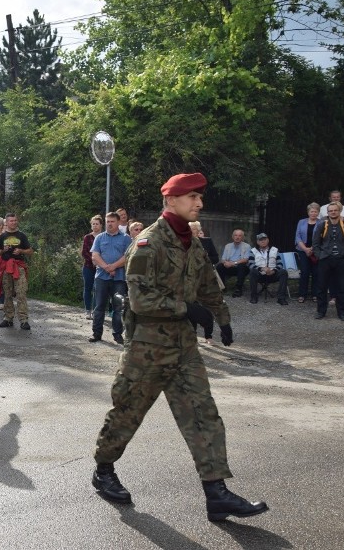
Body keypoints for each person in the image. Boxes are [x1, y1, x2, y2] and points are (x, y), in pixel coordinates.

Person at [90, 172, 268, 522]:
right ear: (171, 200)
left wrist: (223, 317)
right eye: (191, 197)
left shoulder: (192, 242)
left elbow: (208, 284)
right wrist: (188, 309)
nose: (199, 203)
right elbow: (140, 300)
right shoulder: (147, 243)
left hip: (183, 347)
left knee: (204, 414)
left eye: (200, 197)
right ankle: (104, 470)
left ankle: (216, 493)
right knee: (127, 413)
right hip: (147, 348)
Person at [88, 212, 130, 344]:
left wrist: (114, 267)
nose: (109, 224)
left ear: (118, 223)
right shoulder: (99, 238)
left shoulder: (126, 238)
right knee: (99, 306)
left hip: (119, 278)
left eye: (112, 221)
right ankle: (96, 334)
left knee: (118, 308)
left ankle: (117, 335)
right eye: (107, 221)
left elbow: (128, 256)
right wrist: (107, 267)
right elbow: (95, 255)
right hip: (101, 277)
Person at [313, 201, 344, 321]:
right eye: (330, 210)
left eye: (335, 210)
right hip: (325, 259)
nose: (333, 212)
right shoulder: (322, 225)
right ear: (327, 212)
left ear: (339, 211)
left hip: (341, 260)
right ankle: (321, 311)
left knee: (341, 287)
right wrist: (320, 255)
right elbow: (315, 243)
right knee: (321, 286)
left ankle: (342, 313)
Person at [0, 213, 34, 330]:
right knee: (7, 294)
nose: (14, 222)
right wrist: (3, 250)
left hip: (19, 266)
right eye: (11, 221)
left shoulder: (22, 236)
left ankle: (24, 320)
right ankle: (8, 318)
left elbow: (30, 251)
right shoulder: (2, 236)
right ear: (7, 222)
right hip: (7, 267)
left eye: (15, 220)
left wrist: (21, 251)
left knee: (21, 293)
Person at [248, 233, 288, 305]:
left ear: (268, 240)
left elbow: (280, 264)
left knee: (283, 272)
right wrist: (261, 269)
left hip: (272, 274)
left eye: (264, 239)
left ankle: (281, 298)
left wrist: (274, 271)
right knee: (252, 271)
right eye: (261, 240)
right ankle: (254, 297)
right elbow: (250, 264)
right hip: (259, 274)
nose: (263, 241)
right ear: (257, 242)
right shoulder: (253, 251)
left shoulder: (275, 250)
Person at [294, 202, 321, 303]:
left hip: (316, 250)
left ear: (318, 212)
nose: (313, 213)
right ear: (308, 212)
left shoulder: (322, 222)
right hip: (302, 250)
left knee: (316, 273)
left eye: (315, 211)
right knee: (304, 272)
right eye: (311, 211)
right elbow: (297, 237)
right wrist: (305, 249)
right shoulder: (301, 222)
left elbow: (321, 238)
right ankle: (302, 294)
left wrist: (312, 249)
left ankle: (315, 294)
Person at [215, 229, 251, 297]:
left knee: (242, 266)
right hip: (230, 267)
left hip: (241, 268)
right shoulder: (228, 246)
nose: (237, 237)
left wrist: (233, 263)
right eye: (235, 235)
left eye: (240, 235)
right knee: (219, 266)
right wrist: (226, 263)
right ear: (232, 236)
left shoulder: (247, 246)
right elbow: (223, 259)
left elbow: (245, 259)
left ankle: (238, 289)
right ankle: (222, 287)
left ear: (242, 237)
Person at [81, 215, 103, 319]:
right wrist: (93, 260)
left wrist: (100, 262)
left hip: (101, 268)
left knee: (98, 289)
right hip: (88, 267)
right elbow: (84, 252)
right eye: (93, 224)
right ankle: (88, 310)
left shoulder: (104, 236)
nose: (95, 226)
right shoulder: (87, 237)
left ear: (101, 225)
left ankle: (95, 310)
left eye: (96, 224)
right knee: (88, 288)